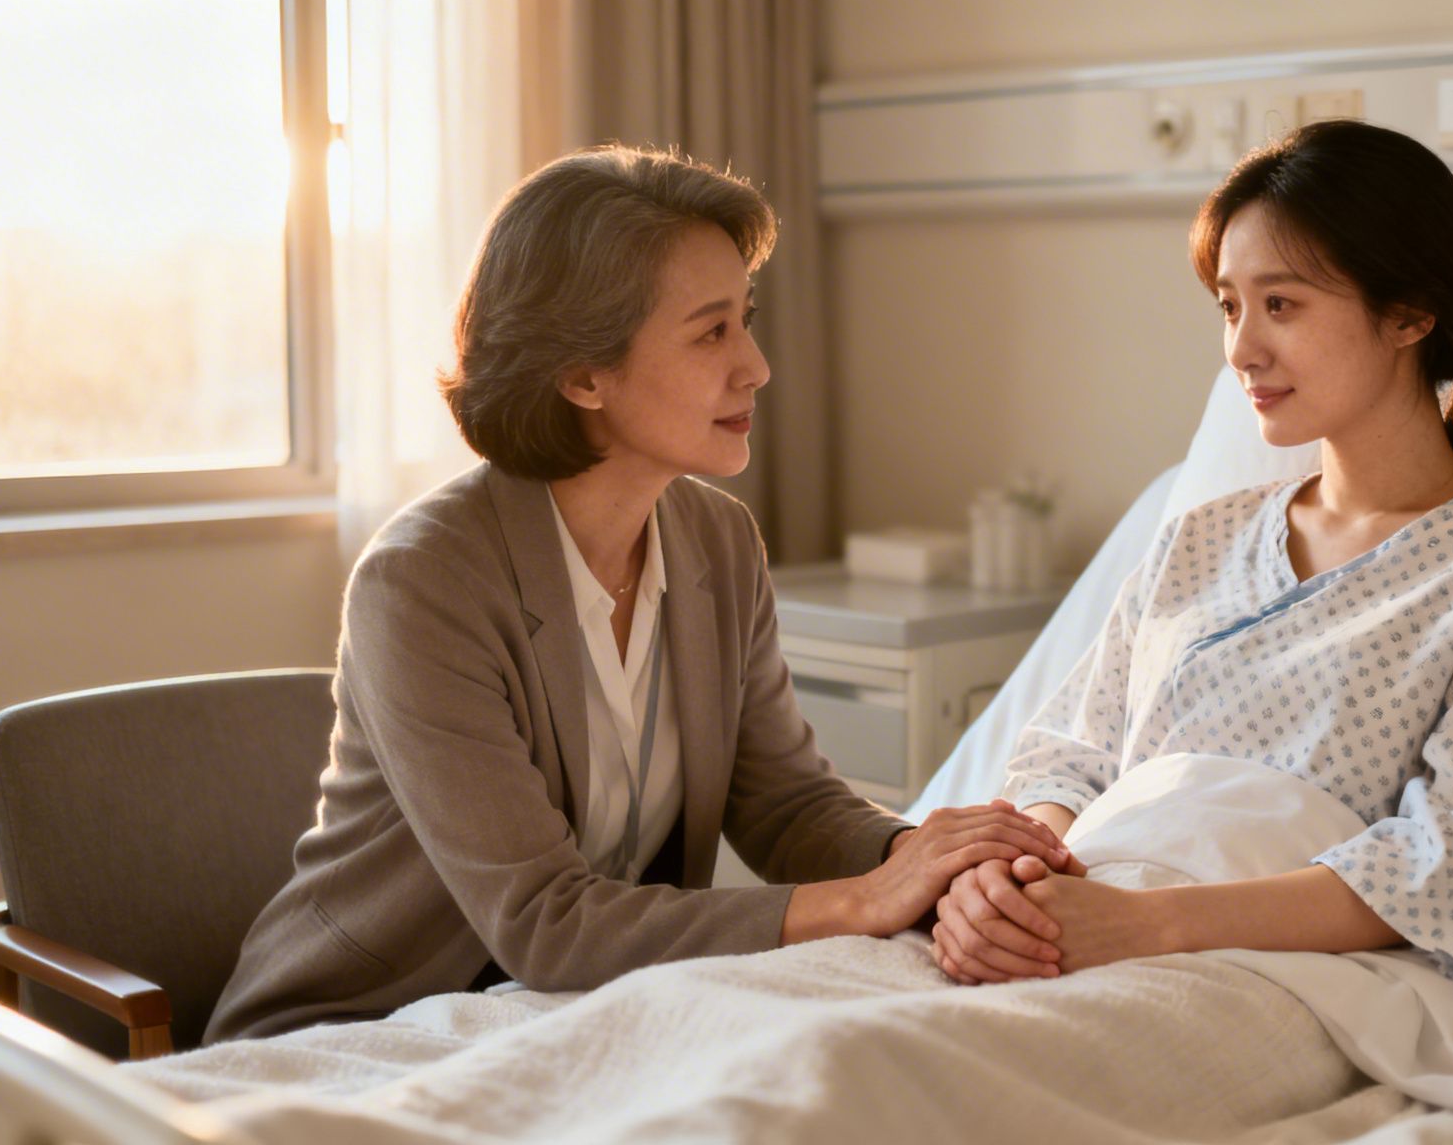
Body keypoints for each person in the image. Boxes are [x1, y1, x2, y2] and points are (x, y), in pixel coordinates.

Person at [207, 146, 1068, 1042]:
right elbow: (545, 923)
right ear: (583, 375)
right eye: (711, 333)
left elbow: (785, 804)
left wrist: (926, 857)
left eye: (745, 320)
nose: (757, 366)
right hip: (363, 1025)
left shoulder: (719, 542)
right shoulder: (422, 584)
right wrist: (861, 900)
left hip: (567, 1014)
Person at [927, 119, 1453, 987]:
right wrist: (1006, 889)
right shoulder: (1202, 538)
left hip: (1293, 975)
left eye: (1281, 305)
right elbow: (1069, 757)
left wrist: (1145, 926)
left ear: (1411, 312)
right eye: (1230, 307)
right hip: (1073, 930)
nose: (1241, 350)